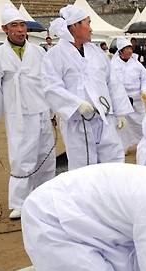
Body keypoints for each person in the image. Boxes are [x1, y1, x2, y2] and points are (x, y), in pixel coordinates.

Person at [0, 5, 55, 220]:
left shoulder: (39, 51)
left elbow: (50, 83)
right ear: (5, 29)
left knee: (45, 156)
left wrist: (54, 110)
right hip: (19, 115)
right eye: (15, 25)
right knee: (22, 157)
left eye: (22, 25)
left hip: (41, 112)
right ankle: (20, 202)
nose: (20, 30)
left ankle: (46, 196)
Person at [43, 5, 132, 171]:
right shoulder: (54, 55)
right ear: (74, 26)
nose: (91, 29)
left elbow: (112, 82)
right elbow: (50, 87)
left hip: (104, 119)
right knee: (83, 168)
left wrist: (120, 112)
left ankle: (111, 196)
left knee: (113, 161)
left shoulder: (96, 52)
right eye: (88, 23)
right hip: (78, 123)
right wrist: (76, 104)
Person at [110, 37, 146, 152]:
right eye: (126, 49)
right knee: (122, 125)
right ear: (120, 51)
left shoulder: (136, 64)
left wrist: (145, 90)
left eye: (130, 49)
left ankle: (144, 145)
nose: (129, 51)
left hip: (137, 99)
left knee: (141, 123)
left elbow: (145, 78)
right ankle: (124, 147)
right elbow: (110, 82)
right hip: (121, 100)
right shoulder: (113, 64)